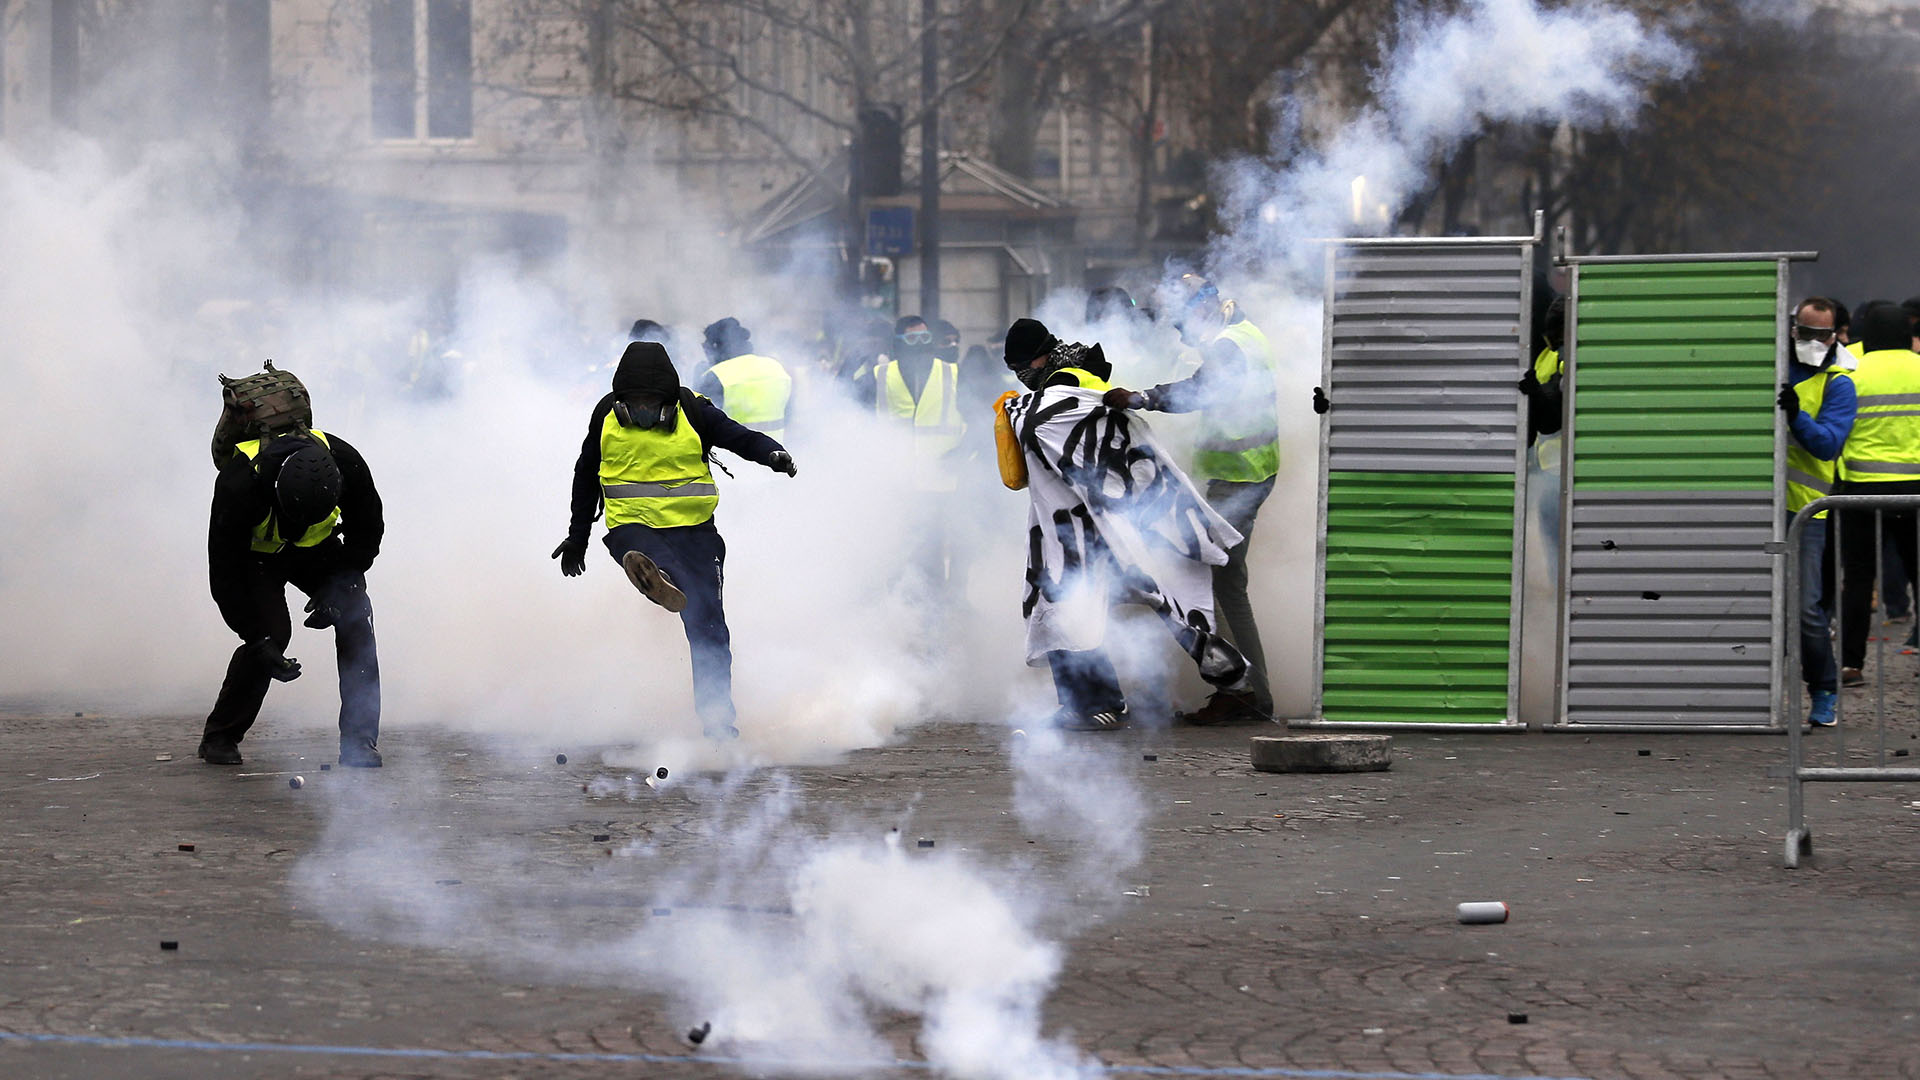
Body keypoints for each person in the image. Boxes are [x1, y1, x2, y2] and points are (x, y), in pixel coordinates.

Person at [997, 317, 1249, 731]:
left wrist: (1016, 413)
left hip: (1093, 524)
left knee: (1066, 601)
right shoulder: (1079, 377)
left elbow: (1052, 428)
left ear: (1038, 357)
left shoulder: (1067, 385)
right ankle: (1113, 699)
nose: (1020, 378)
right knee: (1102, 603)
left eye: (1021, 366)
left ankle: (1095, 704)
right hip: (1100, 520)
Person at [552, 341, 796, 738]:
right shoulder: (605, 417)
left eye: (653, 404)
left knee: (710, 628)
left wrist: (773, 454)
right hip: (631, 530)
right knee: (644, 552)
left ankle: (719, 724)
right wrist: (578, 537)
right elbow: (585, 477)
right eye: (637, 404)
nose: (645, 413)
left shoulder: (695, 410)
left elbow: (740, 436)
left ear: (669, 400)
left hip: (697, 534)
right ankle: (658, 573)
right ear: (621, 401)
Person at [1101, 274, 1278, 725]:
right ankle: (1248, 692)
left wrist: (1140, 397)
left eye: (1180, 324)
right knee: (1224, 584)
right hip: (1249, 473)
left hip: (1238, 476)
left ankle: (1245, 693)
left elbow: (1200, 390)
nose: (1180, 334)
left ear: (1198, 309)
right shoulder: (1246, 332)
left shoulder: (1227, 345)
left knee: (1212, 583)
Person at [202, 426, 384, 767]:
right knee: (273, 636)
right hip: (256, 557)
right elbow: (224, 576)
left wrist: (337, 587)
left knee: (356, 614)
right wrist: (255, 637)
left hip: (318, 550)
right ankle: (220, 735)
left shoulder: (348, 463)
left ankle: (360, 743)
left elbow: (366, 537)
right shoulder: (238, 484)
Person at [1834, 303, 1920, 688]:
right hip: (1915, 491)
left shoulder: (1850, 371)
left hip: (1860, 491)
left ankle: (1851, 664)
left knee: (1857, 579)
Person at [1780, 297, 1855, 726]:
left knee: (1806, 609)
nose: (1811, 342)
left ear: (1835, 335)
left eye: (1821, 334)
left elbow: (1828, 443)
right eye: (1804, 332)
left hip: (1806, 513)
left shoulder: (1839, 383)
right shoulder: (1774, 365)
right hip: (1759, 506)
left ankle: (1824, 689)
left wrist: (1795, 417)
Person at [1519, 293, 1569, 572]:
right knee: (1552, 540)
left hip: (1563, 470)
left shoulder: (1565, 357)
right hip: (1549, 470)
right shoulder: (1547, 356)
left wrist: (1536, 394)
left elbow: (1552, 418)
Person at [695, 317, 794, 442]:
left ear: (716, 347)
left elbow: (697, 423)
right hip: (774, 454)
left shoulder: (716, 375)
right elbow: (789, 415)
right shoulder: (776, 368)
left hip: (733, 456)